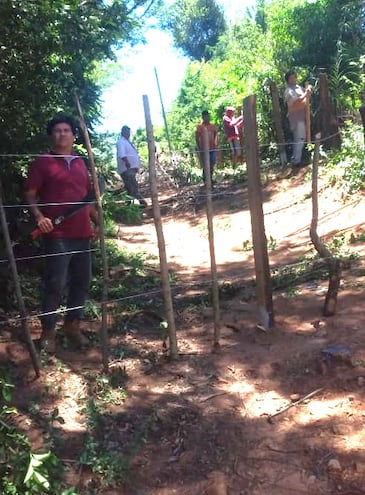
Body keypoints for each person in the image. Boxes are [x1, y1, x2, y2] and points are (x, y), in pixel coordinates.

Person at [24, 115, 99, 353]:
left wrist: (97, 222)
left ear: (74, 136)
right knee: (55, 283)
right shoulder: (43, 162)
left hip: (82, 232)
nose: (62, 134)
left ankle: (72, 326)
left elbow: (86, 198)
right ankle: (48, 332)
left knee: (82, 281)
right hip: (57, 233)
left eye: (67, 130)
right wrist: (39, 217)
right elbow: (30, 194)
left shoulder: (80, 162)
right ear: (51, 135)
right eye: (57, 130)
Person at [284, 71, 312, 167]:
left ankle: (297, 159)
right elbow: (295, 102)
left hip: (302, 116)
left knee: (301, 138)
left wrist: (308, 90)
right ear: (287, 80)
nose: (293, 79)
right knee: (299, 138)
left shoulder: (299, 88)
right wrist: (305, 94)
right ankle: (296, 161)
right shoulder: (288, 90)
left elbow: (306, 95)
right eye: (291, 78)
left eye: (294, 77)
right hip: (295, 117)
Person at [116, 125, 147, 207]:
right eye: (127, 132)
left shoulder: (127, 142)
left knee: (130, 187)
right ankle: (142, 203)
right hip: (127, 169)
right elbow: (122, 154)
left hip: (131, 169)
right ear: (123, 132)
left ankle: (129, 205)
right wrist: (127, 162)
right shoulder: (121, 142)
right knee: (132, 186)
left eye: (129, 132)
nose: (128, 134)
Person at [195, 110, 218, 184]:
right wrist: (199, 148)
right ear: (203, 117)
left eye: (208, 116)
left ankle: (210, 178)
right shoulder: (200, 127)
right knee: (205, 164)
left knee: (212, 162)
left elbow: (215, 136)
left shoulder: (213, 126)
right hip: (203, 149)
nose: (207, 118)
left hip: (212, 148)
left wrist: (216, 145)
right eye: (205, 116)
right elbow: (197, 137)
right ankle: (206, 180)